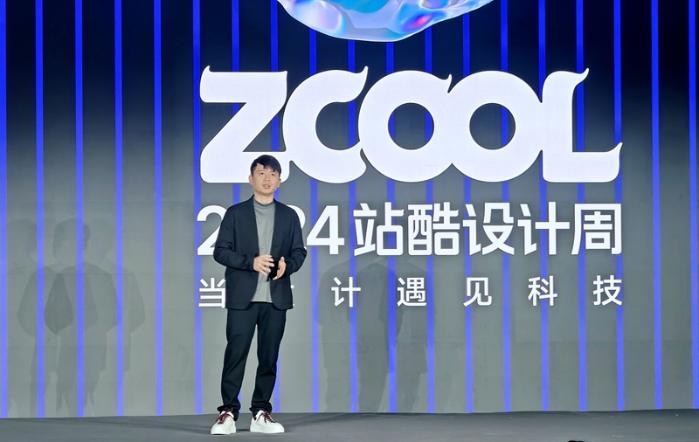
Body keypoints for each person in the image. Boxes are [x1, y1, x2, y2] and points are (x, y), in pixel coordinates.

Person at [209, 154, 306, 435]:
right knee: (235, 354)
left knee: (269, 357)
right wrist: (249, 262)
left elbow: (299, 252)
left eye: (273, 174)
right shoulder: (235, 213)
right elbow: (220, 251)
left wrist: (288, 265)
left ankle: (261, 412)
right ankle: (228, 412)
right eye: (261, 173)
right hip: (243, 298)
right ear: (250, 179)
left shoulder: (289, 216)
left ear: (279, 181)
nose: (267, 179)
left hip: (276, 298)